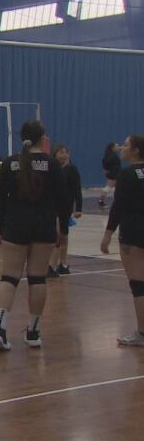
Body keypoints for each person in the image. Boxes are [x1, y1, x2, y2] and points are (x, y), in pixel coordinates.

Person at [0, 120, 69, 351]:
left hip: (15, 226)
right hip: (43, 227)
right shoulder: (52, 164)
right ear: (42, 138)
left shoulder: (10, 162)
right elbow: (64, 201)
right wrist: (63, 230)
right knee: (37, 279)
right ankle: (33, 332)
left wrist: (2, 229)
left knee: (9, 278)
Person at [101, 134, 144, 346]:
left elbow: (118, 207)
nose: (122, 148)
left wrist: (107, 234)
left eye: (126, 145)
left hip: (133, 232)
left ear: (136, 150)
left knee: (138, 285)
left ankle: (142, 334)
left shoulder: (127, 174)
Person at [47, 144, 82, 277]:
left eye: (66, 152)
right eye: (61, 152)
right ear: (55, 154)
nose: (64, 155)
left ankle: (58, 264)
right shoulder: (51, 168)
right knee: (58, 235)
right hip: (52, 207)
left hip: (65, 207)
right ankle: (57, 264)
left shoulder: (71, 170)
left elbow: (77, 189)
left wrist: (78, 208)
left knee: (62, 235)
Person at [99, 142, 121, 207]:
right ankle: (101, 201)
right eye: (117, 146)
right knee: (109, 187)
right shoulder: (114, 157)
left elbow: (105, 168)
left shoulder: (107, 156)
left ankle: (102, 200)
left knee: (114, 187)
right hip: (115, 174)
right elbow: (117, 167)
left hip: (111, 174)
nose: (118, 147)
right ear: (112, 148)